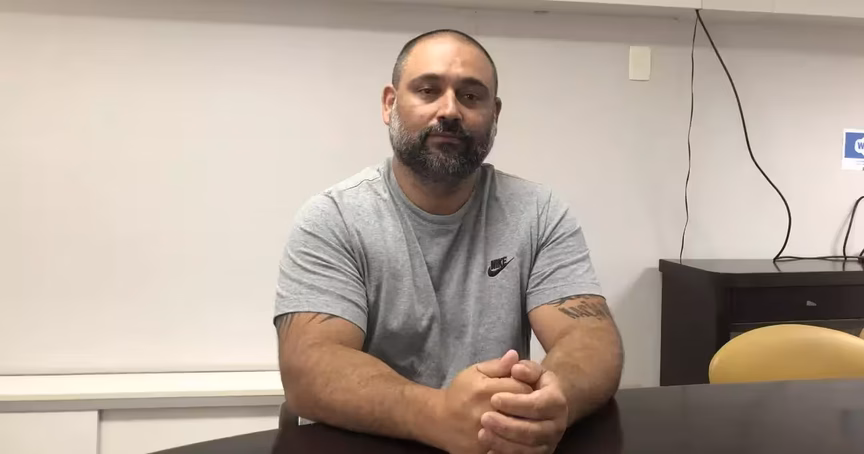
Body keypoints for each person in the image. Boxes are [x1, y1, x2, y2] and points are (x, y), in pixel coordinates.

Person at [274, 29, 623, 454]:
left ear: (494, 114)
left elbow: (590, 339)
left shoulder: (538, 212)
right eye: (428, 90)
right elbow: (310, 366)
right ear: (389, 104)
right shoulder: (334, 218)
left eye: (471, 96)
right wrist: (436, 414)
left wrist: (553, 399)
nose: (450, 110)